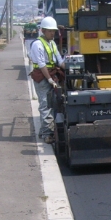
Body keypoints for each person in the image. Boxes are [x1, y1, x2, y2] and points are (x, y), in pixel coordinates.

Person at [29, 16, 63, 144]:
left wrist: (72, 66)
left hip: (51, 75)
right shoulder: (37, 44)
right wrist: (49, 79)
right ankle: (47, 134)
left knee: (55, 103)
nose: (52, 33)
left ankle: (45, 130)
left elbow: (59, 60)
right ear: (43, 30)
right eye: (50, 31)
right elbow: (42, 64)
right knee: (45, 105)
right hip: (42, 77)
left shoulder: (52, 43)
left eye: (53, 31)